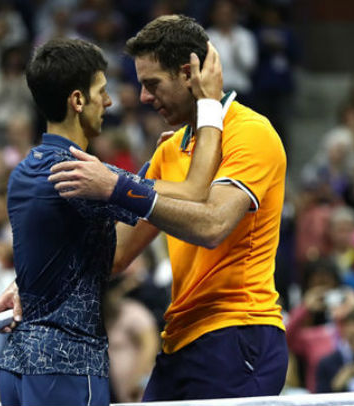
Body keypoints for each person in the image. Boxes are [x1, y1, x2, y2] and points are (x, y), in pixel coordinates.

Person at [48, 15, 288, 400]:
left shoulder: (251, 133)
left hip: (238, 335)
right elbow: (115, 254)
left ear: (188, 73)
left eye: (153, 84)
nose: (143, 97)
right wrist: (34, 284)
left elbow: (212, 225)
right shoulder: (169, 148)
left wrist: (117, 185)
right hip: (179, 343)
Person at [0, 36, 224, 406]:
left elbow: (75, 243)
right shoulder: (82, 177)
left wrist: (154, 163)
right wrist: (210, 107)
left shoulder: (24, 171)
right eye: (102, 91)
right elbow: (195, 191)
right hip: (67, 368)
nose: (109, 102)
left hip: (18, 368)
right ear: (78, 101)